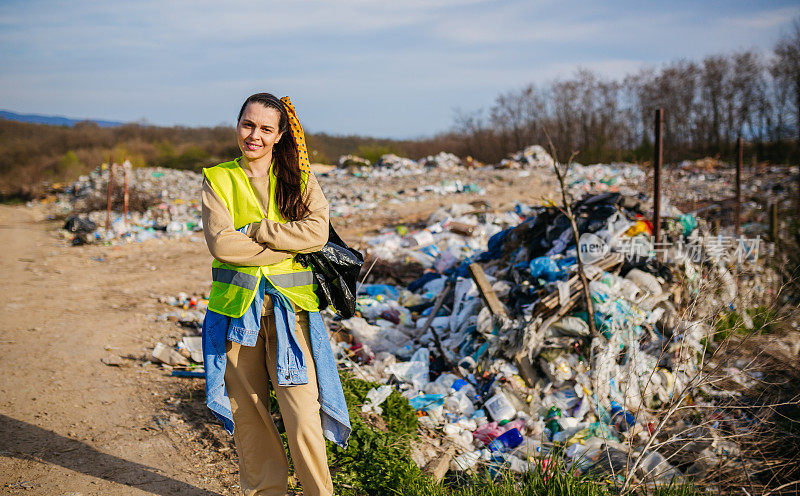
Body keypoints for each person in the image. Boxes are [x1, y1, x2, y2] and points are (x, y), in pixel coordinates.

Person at [200, 93, 350, 496]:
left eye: (266, 128)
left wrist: (254, 230)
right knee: (250, 418)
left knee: (303, 416)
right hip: (236, 316)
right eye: (249, 125)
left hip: (291, 315)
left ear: (280, 134)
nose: (255, 135)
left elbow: (317, 235)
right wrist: (288, 243)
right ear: (238, 126)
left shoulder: (300, 179)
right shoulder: (218, 178)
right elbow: (222, 246)